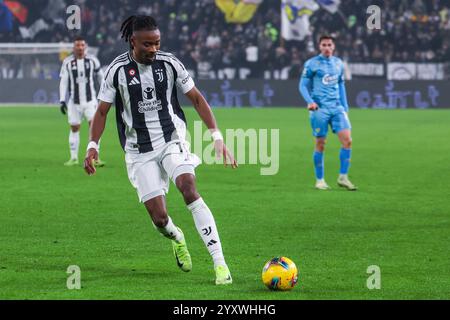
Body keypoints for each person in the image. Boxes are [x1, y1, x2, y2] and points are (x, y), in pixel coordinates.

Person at [84, 15, 237, 285]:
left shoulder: (170, 63)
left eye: (157, 43)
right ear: (133, 42)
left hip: (171, 138)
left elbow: (197, 99)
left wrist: (217, 137)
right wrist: (92, 145)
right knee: (159, 218)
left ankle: (220, 264)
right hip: (138, 150)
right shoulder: (117, 70)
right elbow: (101, 111)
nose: (153, 49)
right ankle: (177, 237)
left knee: (188, 186)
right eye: (147, 44)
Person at [299, 35, 357, 191]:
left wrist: (345, 106)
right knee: (320, 144)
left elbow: (341, 84)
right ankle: (320, 180)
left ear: (333, 46)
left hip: (337, 108)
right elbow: (303, 86)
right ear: (319, 47)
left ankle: (343, 177)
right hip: (320, 109)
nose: (326, 47)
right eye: (323, 44)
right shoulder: (312, 64)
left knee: (348, 141)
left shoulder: (338, 63)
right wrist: (310, 101)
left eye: (329, 44)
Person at [59, 36, 105, 167]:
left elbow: (101, 77)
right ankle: (73, 158)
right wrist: (62, 100)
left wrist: (104, 95)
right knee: (74, 128)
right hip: (74, 102)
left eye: (82, 45)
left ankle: (95, 158)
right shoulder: (67, 62)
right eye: (77, 45)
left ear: (85, 47)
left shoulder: (92, 61)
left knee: (94, 128)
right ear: (74, 48)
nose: (80, 48)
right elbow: (63, 82)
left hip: (90, 101)